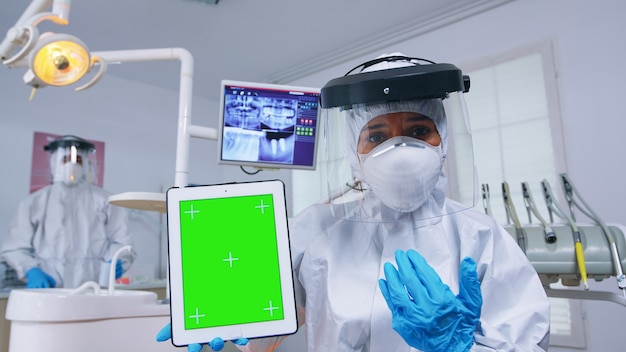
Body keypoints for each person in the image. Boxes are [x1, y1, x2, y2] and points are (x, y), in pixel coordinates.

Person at [158, 54, 550, 351]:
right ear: (354, 152)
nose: (400, 150)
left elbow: (527, 341)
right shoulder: (314, 231)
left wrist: (458, 347)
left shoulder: (480, 237)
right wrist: (216, 318)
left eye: (418, 130)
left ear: (443, 140)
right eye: (377, 137)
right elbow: (241, 287)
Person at [1, 135, 136, 289]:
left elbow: (122, 241)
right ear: (54, 163)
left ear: (86, 164)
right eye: (65, 159)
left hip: (94, 291)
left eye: (78, 160)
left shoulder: (107, 201)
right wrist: (31, 270)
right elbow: (15, 247)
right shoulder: (34, 203)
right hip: (49, 291)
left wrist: (117, 260)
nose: (72, 165)